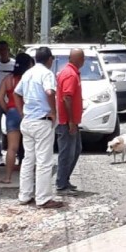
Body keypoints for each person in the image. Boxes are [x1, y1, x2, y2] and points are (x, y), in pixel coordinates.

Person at [14, 46, 63, 209]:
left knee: (28, 159)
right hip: (42, 121)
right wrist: (53, 112)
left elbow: (16, 93)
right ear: (49, 59)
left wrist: (21, 112)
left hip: (27, 120)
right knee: (44, 161)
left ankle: (24, 195)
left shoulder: (28, 73)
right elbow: (50, 92)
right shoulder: (47, 74)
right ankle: (43, 198)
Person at [0, 53, 33, 184]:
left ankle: (7, 177)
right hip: (27, 113)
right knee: (30, 146)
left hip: (12, 112)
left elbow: (0, 97)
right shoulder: (29, 78)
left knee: (12, 147)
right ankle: (29, 176)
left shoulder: (9, 79)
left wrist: (7, 109)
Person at [55, 49, 85, 196]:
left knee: (76, 149)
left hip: (71, 120)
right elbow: (67, 98)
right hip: (67, 121)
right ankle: (61, 184)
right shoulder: (70, 74)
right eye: (83, 58)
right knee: (67, 152)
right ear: (79, 59)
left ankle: (64, 180)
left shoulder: (71, 73)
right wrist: (71, 121)